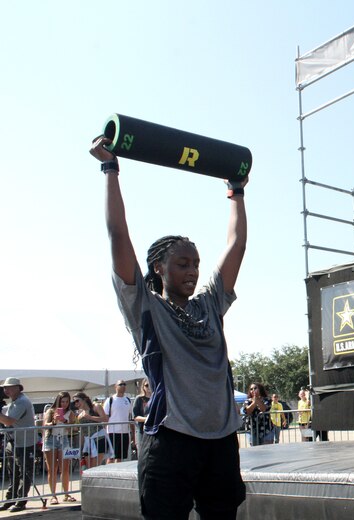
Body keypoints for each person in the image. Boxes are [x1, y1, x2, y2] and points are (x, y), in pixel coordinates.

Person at [91, 134, 248, 520]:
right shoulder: (145, 307)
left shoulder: (210, 304)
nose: (193, 271)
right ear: (159, 267)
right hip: (171, 441)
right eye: (182, 263)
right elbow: (118, 235)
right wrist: (110, 169)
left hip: (221, 442)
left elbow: (238, 245)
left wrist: (237, 192)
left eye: (195, 263)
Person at [0, 377, 36, 513]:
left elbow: (8, 421)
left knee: (24, 472)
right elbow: (5, 412)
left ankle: (20, 501)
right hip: (15, 441)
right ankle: (11, 499)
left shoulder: (22, 402)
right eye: (4, 387)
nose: (5, 390)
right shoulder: (15, 402)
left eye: (8, 387)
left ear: (17, 388)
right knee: (13, 471)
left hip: (25, 443)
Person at [42, 392, 77, 504]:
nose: (65, 404)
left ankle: (66, 494)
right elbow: (44, 425)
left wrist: (65, 421)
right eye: (63, 401)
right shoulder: (51, 411)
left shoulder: (70, 413)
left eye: (67, 401)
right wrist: (54, 421)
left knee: (65, 469)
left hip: (64, 439)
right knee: (52, 469)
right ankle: (53, 496)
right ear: (58, 401)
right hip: (51, 439)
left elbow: (75, 427)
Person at [73, 392, 109, 468]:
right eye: (74, 402)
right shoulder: (80, 415)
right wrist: (81, 447)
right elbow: (83, 432)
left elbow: (105, 419)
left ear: (84, 399)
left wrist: (90, 417)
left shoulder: (96, 407)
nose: (76, 403)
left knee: (95, 466)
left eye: (77, 400)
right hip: (88, 441)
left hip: (99, 439)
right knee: (89, 468)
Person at [104, 380, 135, 463]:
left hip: (124, 432)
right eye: (120, 384)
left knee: (120, 457)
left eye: (124, 384)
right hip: (112, 432)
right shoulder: (110, 400)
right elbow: (105, 417)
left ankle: (116, 474)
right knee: (111, 457)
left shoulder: (128, 400)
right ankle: (108, 474)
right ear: (115, 387)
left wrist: (132, 433)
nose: (123, 386)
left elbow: (130, 418)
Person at [133, 379, 152, 457]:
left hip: (153, 430)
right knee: (141, 454)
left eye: (150, 385)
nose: (149, 387)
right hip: (142, 430)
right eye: (147, 385)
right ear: (143, 387)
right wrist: (147, 418)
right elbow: (135, 416)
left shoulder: (156, 398)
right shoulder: (139, 399)